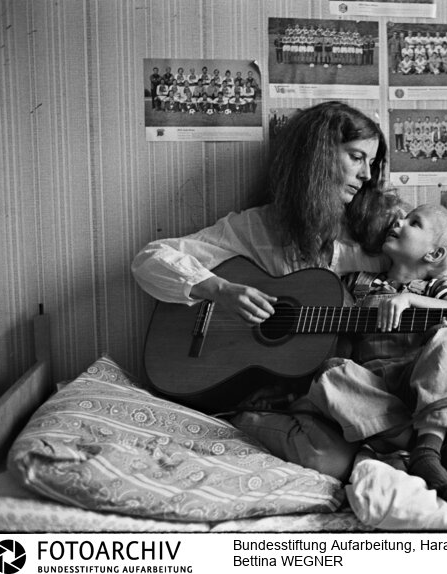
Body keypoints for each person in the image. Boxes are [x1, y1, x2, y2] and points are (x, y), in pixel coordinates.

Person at [133, 102, 403, 481]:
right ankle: (242, 415)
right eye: (357, 157)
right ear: (319, 155)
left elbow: (426, 265)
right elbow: (151, 259)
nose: (366, 174)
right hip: (276, 390)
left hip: (343, 380)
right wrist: (220, 289)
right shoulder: (257, 228)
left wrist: (446, 312)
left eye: (372, 162)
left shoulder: (371, 230)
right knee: (329, 460)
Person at [307, 204, 447, 503]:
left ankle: (421, 449)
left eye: (414, 222)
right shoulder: (357, 281)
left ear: (433, 254)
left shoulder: (432, 288)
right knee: (328, 373)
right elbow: (340, 338)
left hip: (420, 389)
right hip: (373, 389)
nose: (398, 222)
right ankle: (427, 450)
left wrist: (410, 299)